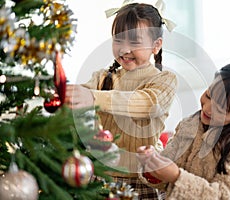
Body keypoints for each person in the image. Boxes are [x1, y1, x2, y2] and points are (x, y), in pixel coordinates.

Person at [65, 1, 177, 199]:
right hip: (100, 175)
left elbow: (147, 103)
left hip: (141, 178)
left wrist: (92, 97)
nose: (124, 49)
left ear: (156, 45)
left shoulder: (164, 79)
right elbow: (78, 98)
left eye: (134, 42)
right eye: (118, 40)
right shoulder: (102, 77)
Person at [137, 61, 230, 200]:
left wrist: (176, 176)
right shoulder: (190, 124)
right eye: (209, 96)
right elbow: (169, 166)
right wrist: (153, 167)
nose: (207, 109)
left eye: (221, 108)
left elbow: (224, 196)